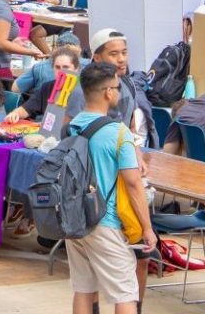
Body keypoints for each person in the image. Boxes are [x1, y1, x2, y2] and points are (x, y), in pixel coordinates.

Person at [66, 62, 156, 314]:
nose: (119, 92)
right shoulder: (118, 133)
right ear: (108, 92)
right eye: (117, 87)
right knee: (126, 292)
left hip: (76, 218)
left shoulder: (72, 126)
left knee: (83, 288)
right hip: (106, 220)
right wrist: (147, 228)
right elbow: (133, 182)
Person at [5, 47, 81, 123]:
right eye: (57, 67)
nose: (61, 71)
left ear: (76, 69)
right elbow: (27, 108)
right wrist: (15, 113)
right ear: (52, 68)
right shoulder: (47, 87)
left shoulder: (83, 90)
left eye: (66, 67)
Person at [12, 31, 89, 95]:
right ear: (79, 49)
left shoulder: (41, 67)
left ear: (55, 49)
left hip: (43, 110)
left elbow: (15, 88)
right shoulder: (89, 66)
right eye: (58, 67)